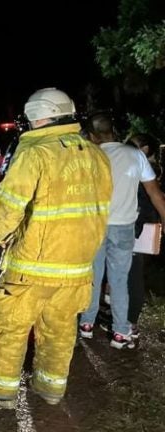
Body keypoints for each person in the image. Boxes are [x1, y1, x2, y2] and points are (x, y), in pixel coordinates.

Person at [0, 88, 112, 409]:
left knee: (8, 324)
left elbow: (8, 206)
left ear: (39, 115)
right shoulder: (96, 155)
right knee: (59, 329)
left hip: (34, 264)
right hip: (78, 266)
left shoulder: (35, 154)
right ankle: (50, 387)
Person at [79, 122, 165, 348]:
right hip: (124, 227)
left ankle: (86, 324)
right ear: (113, 131)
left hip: (94, 224)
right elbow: (155, 193)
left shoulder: (90, 154)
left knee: (92, 277)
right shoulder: (135, 154)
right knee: (118, 280)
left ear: (93, 135)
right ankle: (120, 332)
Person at [124, 133, 162, 338]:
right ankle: (127, 319)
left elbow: (148, 202)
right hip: (135, 227)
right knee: (131, 274)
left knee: (133, 275)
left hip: (136, 228)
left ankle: (130, 322)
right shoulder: (147, 169)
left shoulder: (147, 171)